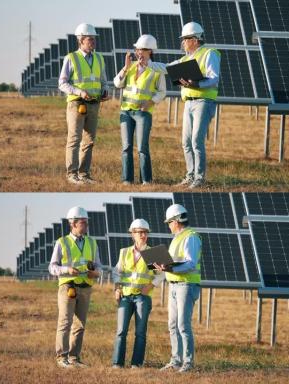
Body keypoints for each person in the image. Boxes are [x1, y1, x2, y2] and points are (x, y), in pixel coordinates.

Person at [48, 206, 102, 368]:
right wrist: (67, 270)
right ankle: (61, 357)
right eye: (83, 223)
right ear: (73, 223)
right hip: (68, 287)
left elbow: (99, 266)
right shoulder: (62, 242)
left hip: (85, 287)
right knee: (65, 322)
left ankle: (74, 358)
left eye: (86, 222)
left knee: (80, 325)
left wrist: (96, 273)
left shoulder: (92, 243)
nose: (86, 225)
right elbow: (52, 267)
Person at [58, 23, 110, 185]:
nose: (93, 41)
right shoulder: (71, 58)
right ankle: (71, 174)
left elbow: (103, 81)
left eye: (94, 39)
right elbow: (62, 83)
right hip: (76, 104)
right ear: (80, 40)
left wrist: (105, 90)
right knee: (74, 139)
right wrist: (79, 92)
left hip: (94, 104)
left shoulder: (99, 58)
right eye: (90, 39)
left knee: (89, 141)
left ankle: (84, 175)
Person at [113, 35, 167, 185]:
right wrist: (125, 67)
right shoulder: (130, 66)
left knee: (142, 148)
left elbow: (162, 92)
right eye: (137, 49)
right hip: (126, 112)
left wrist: (150, 102)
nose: (138, 53)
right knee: (126, 147)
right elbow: (117, 83)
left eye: (141, 50)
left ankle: (146, 181)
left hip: (143, 113)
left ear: (150, 51)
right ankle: (127, 180)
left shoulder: (157, 70)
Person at [111, 219, 164, 368]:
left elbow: (162, 273)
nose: (143, 235)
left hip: (142, 297)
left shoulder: (153, 252)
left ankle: (136, 364)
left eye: (145, 232)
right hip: (126, 297)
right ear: (132, 234)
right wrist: (117, 287)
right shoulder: (124, 252)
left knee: (140, 333)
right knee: (121, 331)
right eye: (139, 232)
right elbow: (117, 272)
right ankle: (117, 363)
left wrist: (150, 285)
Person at [154, 204, 202, 373]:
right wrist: (163, 267)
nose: (168, 225)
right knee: (173, 324)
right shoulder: (177, 238)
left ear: (176, 221)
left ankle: (188, 363)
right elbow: (174, 262)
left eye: (169, 222)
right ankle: (175, 361)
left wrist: (171, 269)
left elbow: (190, 263)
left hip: (186, 285)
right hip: (174, 285)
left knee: (183, 324)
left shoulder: (191, 237)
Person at [174, 21, 221, 188]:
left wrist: (196, 84)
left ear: (194, 39)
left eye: (185, 39)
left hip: (203, 102)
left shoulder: (210, 54)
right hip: (188, 103)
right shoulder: (185, 58)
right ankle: (190, 175)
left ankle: (199, 178)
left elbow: (214, 78)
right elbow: (166, 68)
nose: (183, 42)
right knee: (186, 142)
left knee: (196, 141)